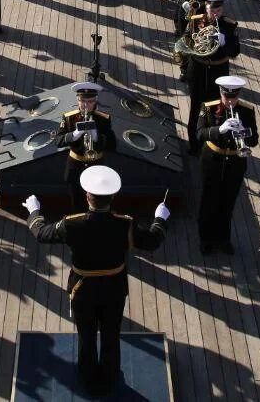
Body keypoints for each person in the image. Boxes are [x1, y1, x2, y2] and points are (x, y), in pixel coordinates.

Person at [25, 166, 169, 394]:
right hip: (114, 289)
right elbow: (152, 240)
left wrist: (34, 212)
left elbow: (42, 233)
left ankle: (88, 377)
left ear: (87, 196)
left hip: (83, 289)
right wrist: (160, 219)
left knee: (87, 335)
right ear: (112, 197)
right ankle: (110, 375)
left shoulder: (72, 223)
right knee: (111, 333)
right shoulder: (125, 224)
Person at [196, 75, 258, 254]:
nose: (230, 102)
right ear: (221, 93)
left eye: (233, 98)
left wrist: (243, 132)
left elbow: (254, 140)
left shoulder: (247, 111)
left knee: (227, 202)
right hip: (212, 160)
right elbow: (200, 133)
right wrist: (220, 129)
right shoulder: (208, 108)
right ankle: (205, 239)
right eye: (226, 97)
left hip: (235, 161)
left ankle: (223, 239)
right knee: (208, 200)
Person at [183, 0, 240, 156]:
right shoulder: (195, 21)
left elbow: (235, 51)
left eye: (219, 10)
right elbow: (187, 41)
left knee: (214, 108)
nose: (216, 14)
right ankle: (193, 144)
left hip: (218, 72)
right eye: (212, 10)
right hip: (198, 70)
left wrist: (224, 43)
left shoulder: (229, 25)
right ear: (206, 8)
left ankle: (209, 143)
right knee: (195, 108)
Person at [55, 82, 117, 209]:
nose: (85, 105)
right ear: (77, 100)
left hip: (96, 162)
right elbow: (58, 141)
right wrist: (75, 134)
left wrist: (95, 136)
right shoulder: (68, 118)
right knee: (76, 197)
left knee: (98, 196)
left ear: (95, 102)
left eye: (90, 101)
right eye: (82, 101)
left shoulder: (104, 119)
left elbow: (112, 145)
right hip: (75, 164)